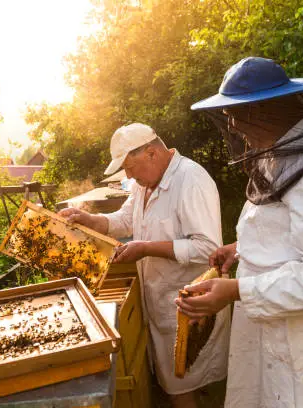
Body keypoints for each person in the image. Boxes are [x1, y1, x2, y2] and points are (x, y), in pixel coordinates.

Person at [175, 57, 303, 407]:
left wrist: (236, 290)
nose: (232, 126)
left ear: (263, 110)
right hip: (274, 323)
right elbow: (290, 226)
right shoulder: (283, 149)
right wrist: (241, 248)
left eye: (236, 113)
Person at [59, 123, 230, 408]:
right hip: (163, 304)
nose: (128, 175)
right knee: (176, 385)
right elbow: (125, 220)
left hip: (191, 307)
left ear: (151, 153)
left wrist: (146, 248)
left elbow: (208, 248)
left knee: (184, 389)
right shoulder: (144, 185)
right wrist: (87, 219)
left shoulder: (191, 180)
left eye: (130, 166)